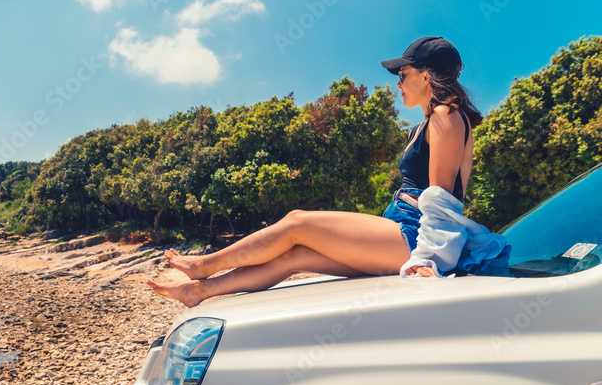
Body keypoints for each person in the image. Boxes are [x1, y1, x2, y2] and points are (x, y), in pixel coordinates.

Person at [149, 36, 495, 308]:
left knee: (298, 220)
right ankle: (201, 290)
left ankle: (204, 265)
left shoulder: (447, 116)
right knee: (296, 256)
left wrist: (429, 261)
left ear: (424, 74)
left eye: (402, 74)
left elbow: (441, 201)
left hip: (414, 236)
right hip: (400, 225)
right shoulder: (424, 124)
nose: (397, 83)